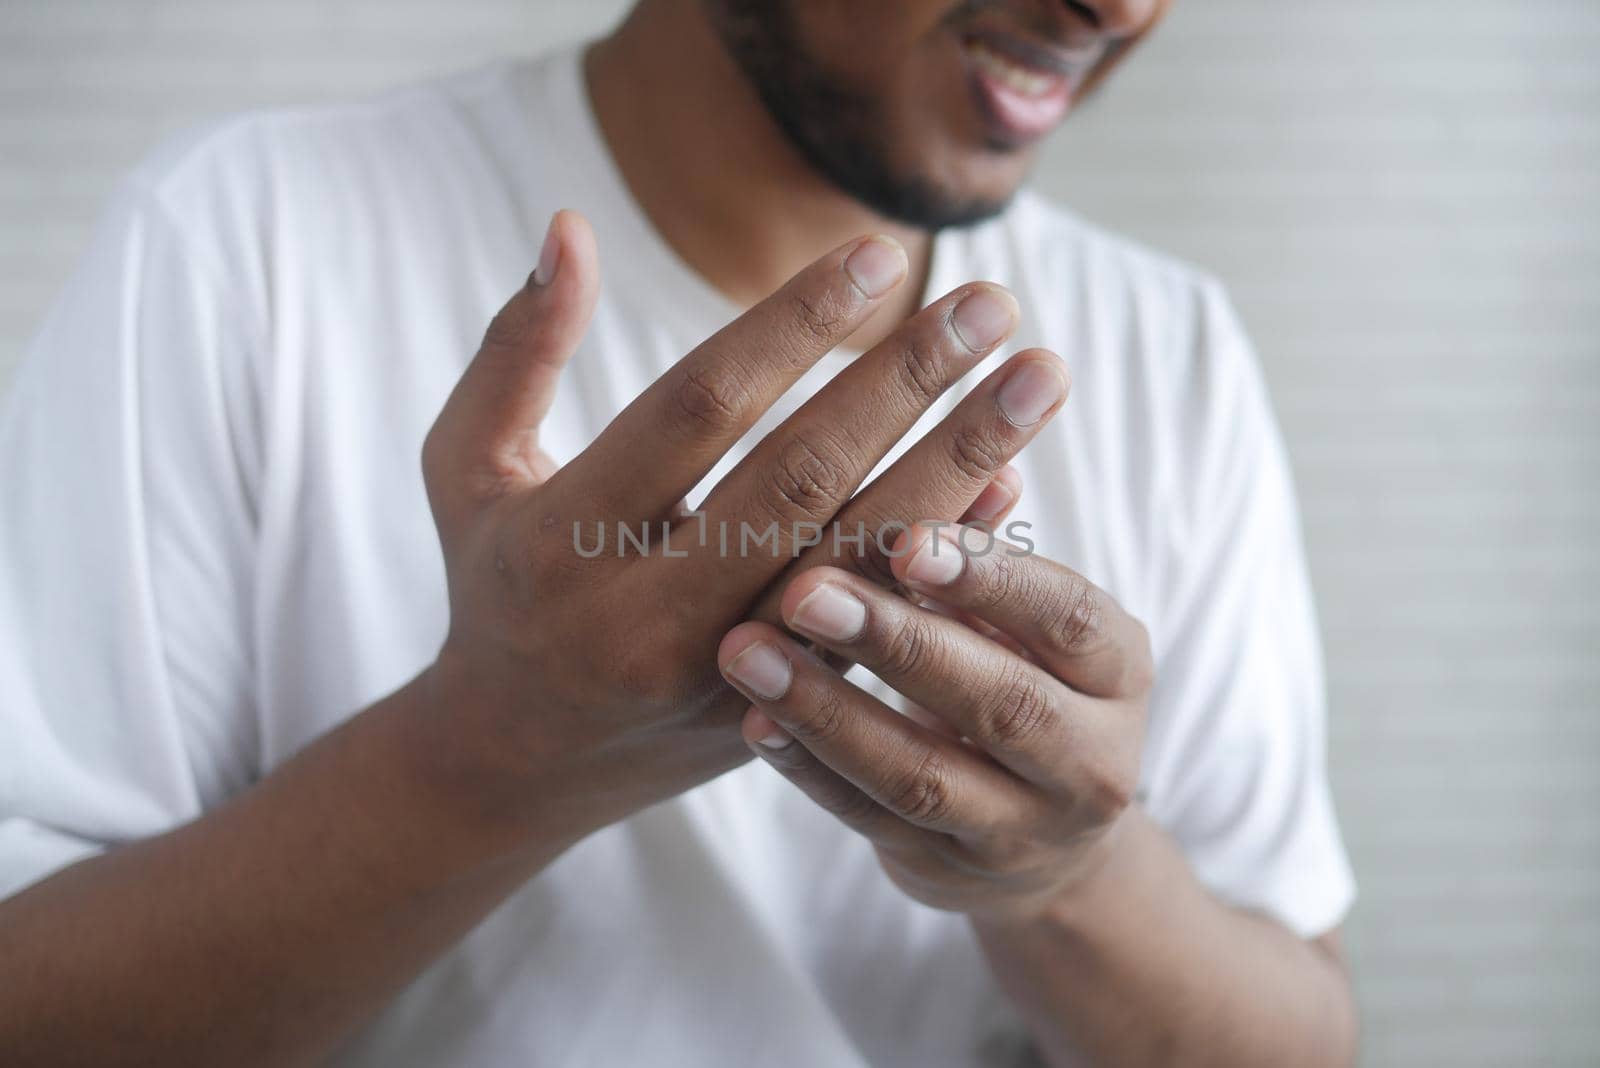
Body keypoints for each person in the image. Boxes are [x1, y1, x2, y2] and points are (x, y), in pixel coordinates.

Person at [0, 0, 1359, 1064]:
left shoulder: (1169, 353)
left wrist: (1067, 874)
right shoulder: (245, 247)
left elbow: (1305, 1034)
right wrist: (489, 757)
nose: (1119, 9)